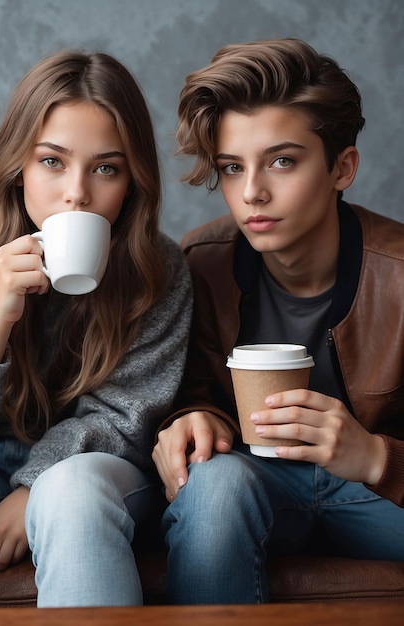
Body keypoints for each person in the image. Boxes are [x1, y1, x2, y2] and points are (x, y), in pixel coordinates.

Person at [0, 49, 192, 607]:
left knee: (71, 493)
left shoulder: (159, 272)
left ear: (131, 182)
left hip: (93, 469)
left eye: (105, 168)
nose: (77, 192)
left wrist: (33, 488)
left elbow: (124, 421)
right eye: (52, 161)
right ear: (18, 165)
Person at [152, 37, 404, 604]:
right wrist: (193, 417)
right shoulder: (199, 262)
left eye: (282, 161)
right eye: (232, 168)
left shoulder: (401, 274)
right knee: (214, 485)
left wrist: (376, 456)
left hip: (378, 495)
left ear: (343, 167)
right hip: (255, 488)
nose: (252, 193)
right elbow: (184, 387)